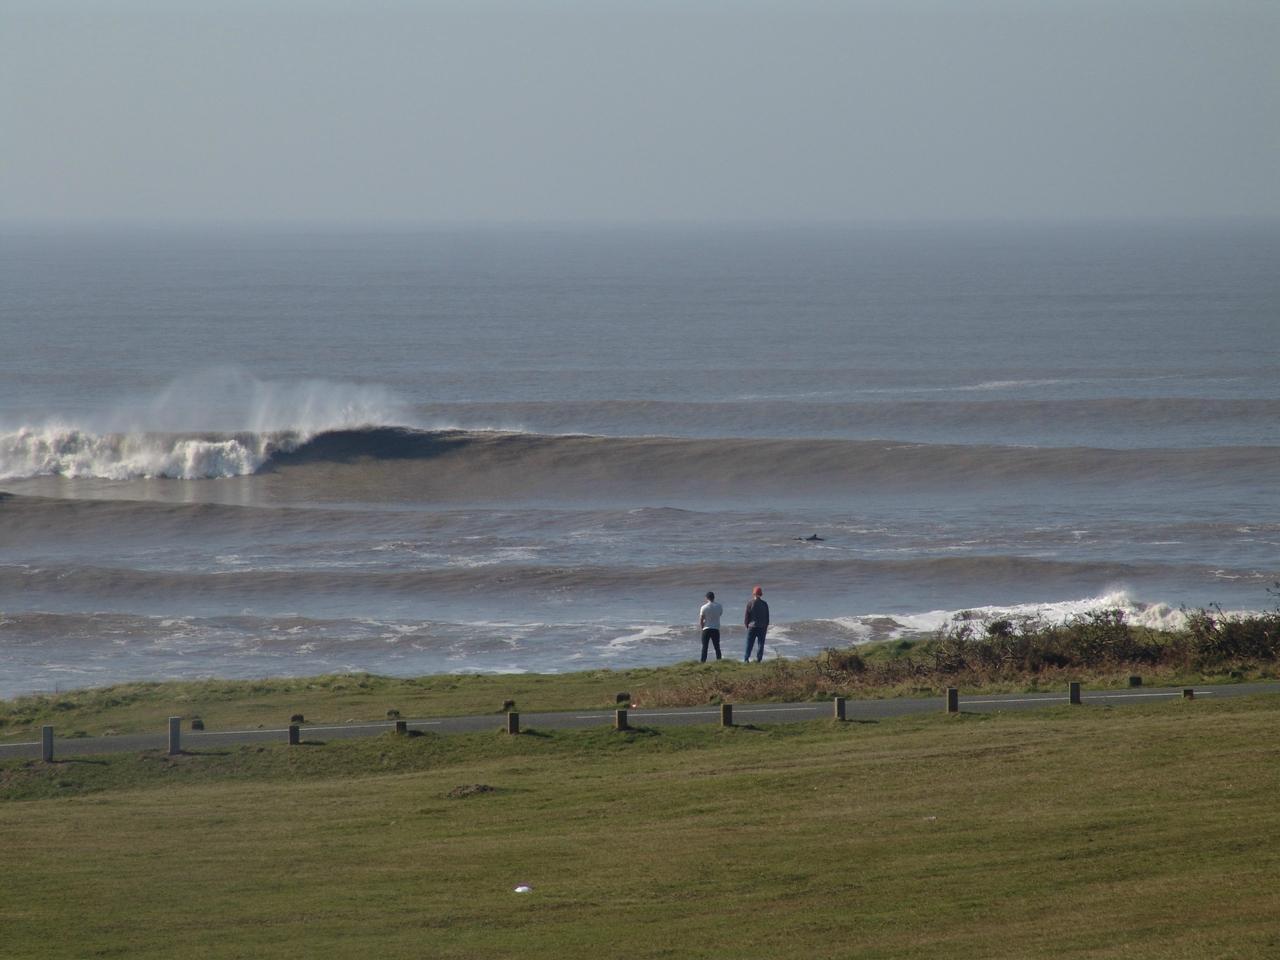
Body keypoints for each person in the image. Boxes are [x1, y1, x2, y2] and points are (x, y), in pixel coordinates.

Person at [743, 585, 770, 662]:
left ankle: (746, 659)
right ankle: (759, 659)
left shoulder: (750, 603)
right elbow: (767, 616)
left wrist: (746, 625)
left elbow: (747, 616)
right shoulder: (764, 604)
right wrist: (766, 625)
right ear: (761, 594)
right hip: (762, 627)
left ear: (753, 594)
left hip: (752, 626)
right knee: (761, 644)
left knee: (749, 644)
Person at [698, 591, 723, 662]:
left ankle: (703, 662)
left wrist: (702, 627)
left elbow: (701, 619)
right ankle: (719, 661)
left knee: (705, 647)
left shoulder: (703, 607)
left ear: (706, 598)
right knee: (717, 647)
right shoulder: (719, 606)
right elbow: (720, 614)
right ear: (714, 597)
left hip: (706, 629)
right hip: (715, 629)